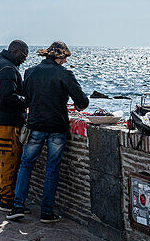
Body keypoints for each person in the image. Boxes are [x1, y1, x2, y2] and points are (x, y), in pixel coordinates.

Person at [8, 42, 89, 223]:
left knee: (26, 165)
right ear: (58, 57)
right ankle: (46, 212)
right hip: (56, 128)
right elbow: (82, 101)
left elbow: (26, 98)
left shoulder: (30, 72)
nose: (66, 61)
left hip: (35, 124)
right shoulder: (64, 74)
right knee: (52, 169)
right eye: (65, 57)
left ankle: (18, 206)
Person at [0, 40, 29, 210]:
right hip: (7, 124)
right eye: (24, 56)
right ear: (16, 52)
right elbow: (7, 97)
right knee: (9, 162)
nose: (24, 60)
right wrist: (26, 101)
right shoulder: (8, 69)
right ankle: (7, 199)